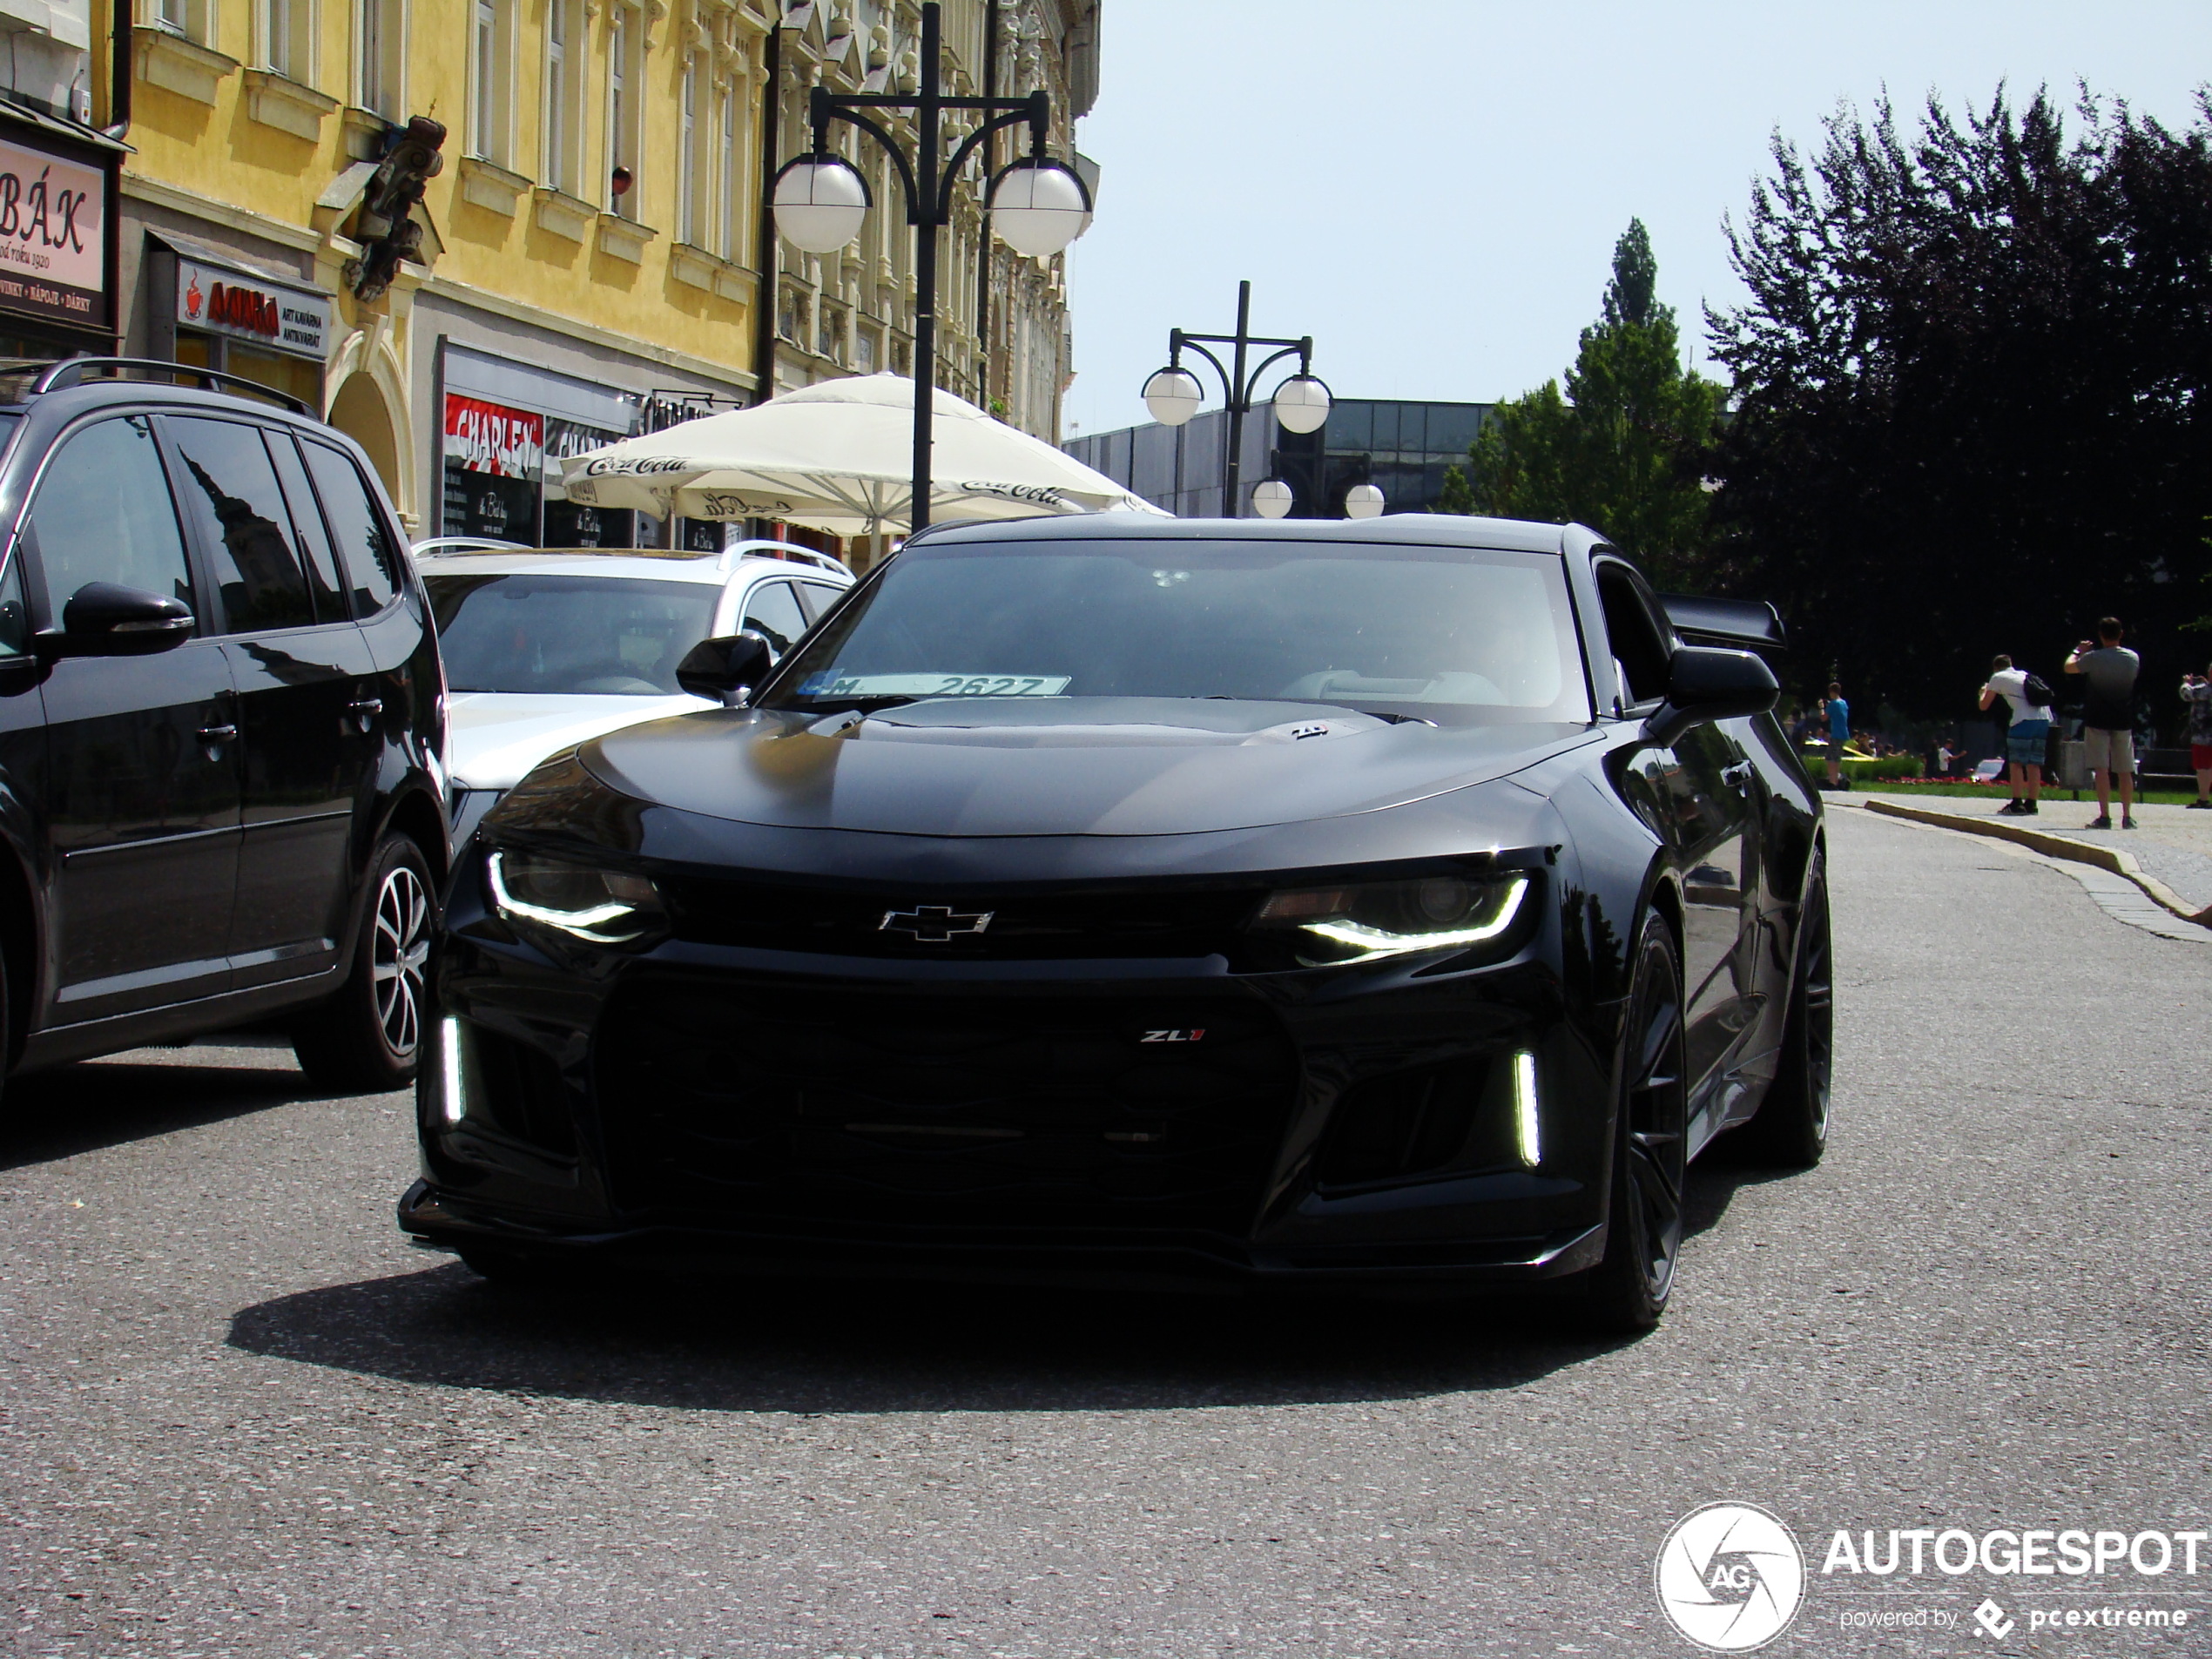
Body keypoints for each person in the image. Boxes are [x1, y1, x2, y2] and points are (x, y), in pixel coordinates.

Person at [2065, 617, 2141, 829]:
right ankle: (2127, 816)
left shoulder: (2094, 658)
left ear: (2100, 635)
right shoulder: (2132, 658)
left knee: (2101, 769)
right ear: (2121, 633)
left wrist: (2078, 651)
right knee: (2125, 770)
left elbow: (2069, 668)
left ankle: (2105, 815)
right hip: (2123, 717)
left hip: (2097, 717)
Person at [1979, 654, 2054, 815]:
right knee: (2034, 763)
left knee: (2016, 763)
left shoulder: (1997, 677)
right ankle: (2032, 803)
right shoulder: (2024, 674)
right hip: (2043, 719)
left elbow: (1984, 705)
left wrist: (1982, 692)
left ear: (1996, 667)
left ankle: (2017, 802)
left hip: (2022, 720)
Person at [2183, 663, 2212, 809]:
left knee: (2203, 768)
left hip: (2203, 736)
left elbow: (2186, 694)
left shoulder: (2204, 690)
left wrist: (2187, 683)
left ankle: (2203, 799)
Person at [1823, 682, 1849, 788]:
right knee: (1837, 758)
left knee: (1830, 758)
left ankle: (1832, 781)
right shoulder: (1843, 703)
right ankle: (1836, 780)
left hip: (1836, 733)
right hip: (1843, 733)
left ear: (1831, 692)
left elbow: (1824, 718)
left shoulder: (1833, 704)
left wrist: (1821, 707)